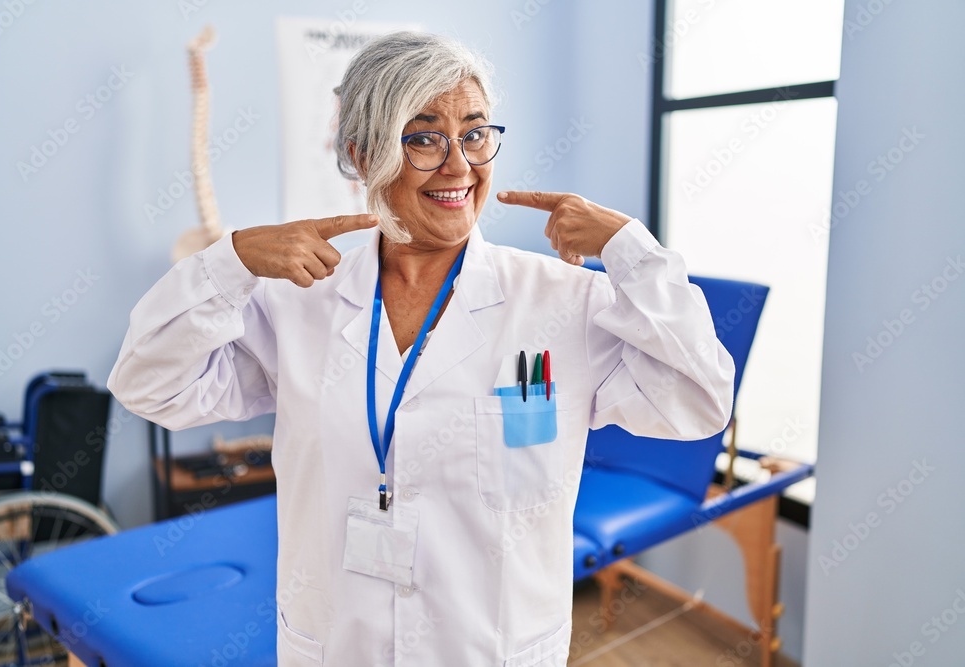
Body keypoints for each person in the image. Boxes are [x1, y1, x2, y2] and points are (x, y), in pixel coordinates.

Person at [108, 31, 734, 667]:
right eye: (424, 136)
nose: (460, 164)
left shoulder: (562, 303)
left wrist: (633, 251)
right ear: (361, 153)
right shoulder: (299, 304)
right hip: (338, 645)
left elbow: (699, 403)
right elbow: (149, 385)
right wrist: (231, 262)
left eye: (474, 133)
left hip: (492, 649)